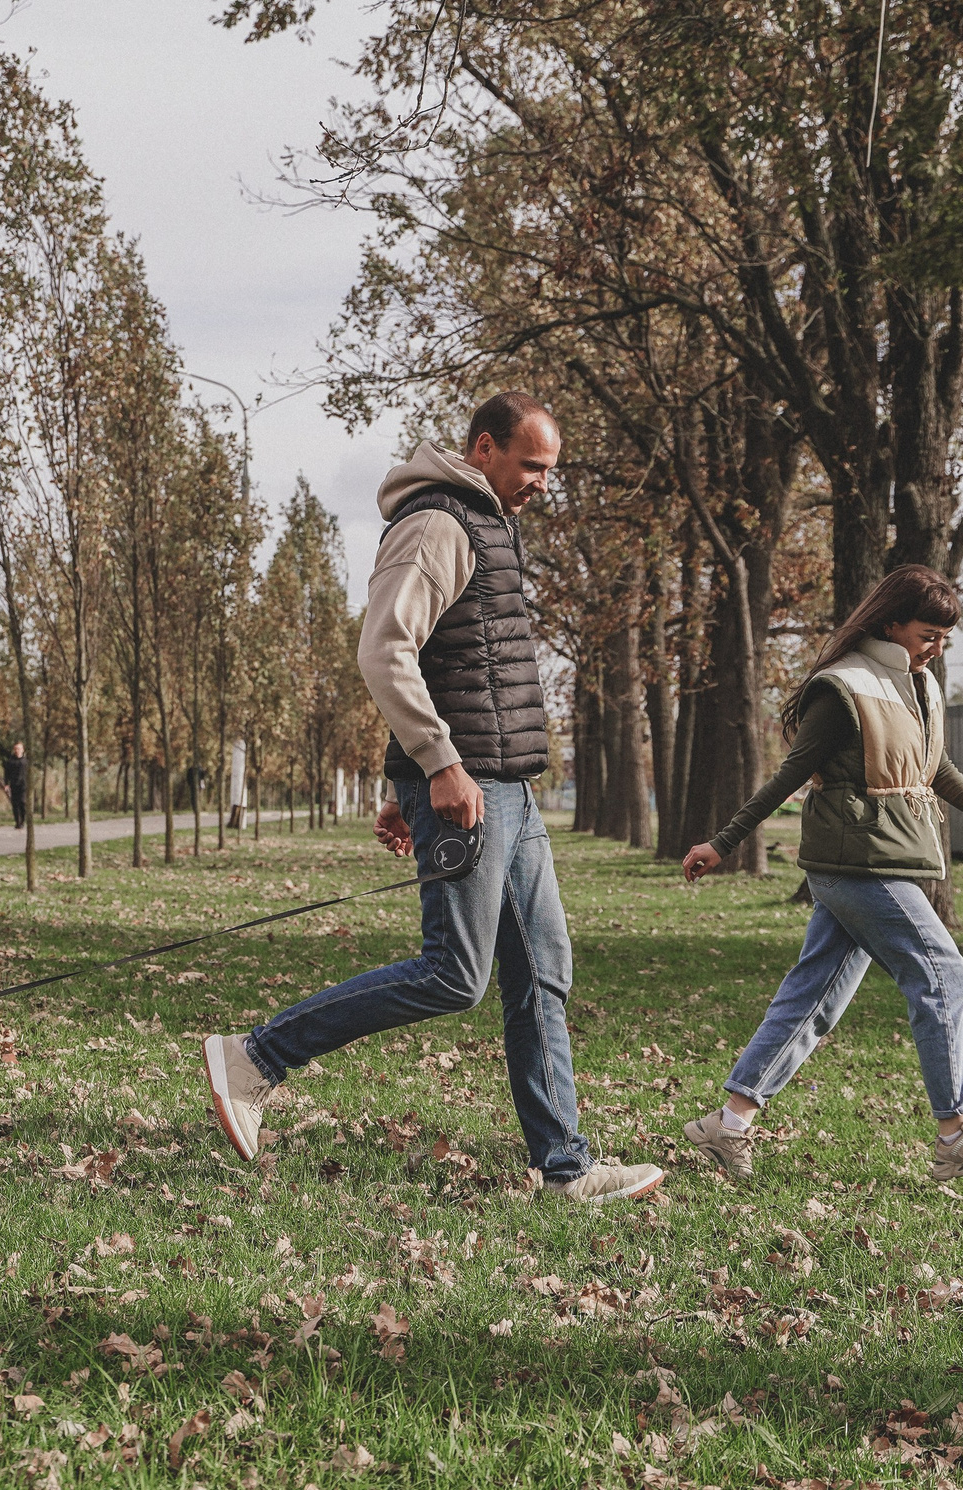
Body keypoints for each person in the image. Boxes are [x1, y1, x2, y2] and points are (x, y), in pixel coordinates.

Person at [200, 391, 662, 1205]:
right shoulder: (438, 523)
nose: (544, 484)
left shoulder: (490, 523)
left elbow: (456, 661)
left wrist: (402, 780)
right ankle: (255, 1057)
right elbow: (385, 649)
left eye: (552, 470)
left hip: (505, 787)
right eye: (533, 466)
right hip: (471, 783)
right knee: (455, 975)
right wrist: (434, 765)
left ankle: (564, 1167)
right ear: (484, 448)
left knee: (541, 973)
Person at [677, 565, 963, 1186]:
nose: (937, 647)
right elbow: (788, 775)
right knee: (943, 978)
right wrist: (723, 843)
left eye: (943, 636)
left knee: (813, 998)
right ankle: (956, 1135)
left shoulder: (917, 685)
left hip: (884, 858)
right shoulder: (842, 687)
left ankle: (730, 1124)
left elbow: (935, 767)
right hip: (859, 863)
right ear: (891, 622)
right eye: (927, 634)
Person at [3, 741, 29, 830]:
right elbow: (6, 773)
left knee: (23, 803)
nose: (17, 750)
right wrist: (6, 784)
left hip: (24, 786)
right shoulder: (10, 761)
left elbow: (29, 774)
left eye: (19, 749)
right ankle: (17, 822)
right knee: (15, 804)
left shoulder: (26, 762)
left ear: (22, 750)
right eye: (16, 749)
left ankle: (22, 820)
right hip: (14, 785)